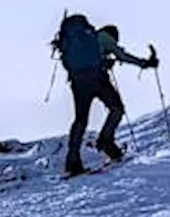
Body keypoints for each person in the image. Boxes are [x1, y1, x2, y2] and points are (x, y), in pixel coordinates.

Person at [52, 14, 158, 176]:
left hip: (78, 81)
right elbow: (123, 56)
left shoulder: (85, 39)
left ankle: (72, 162)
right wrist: (145, 63)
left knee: (81, 119)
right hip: (98, 79)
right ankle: (106, 141)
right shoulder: (104, 38)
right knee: (117, 109)